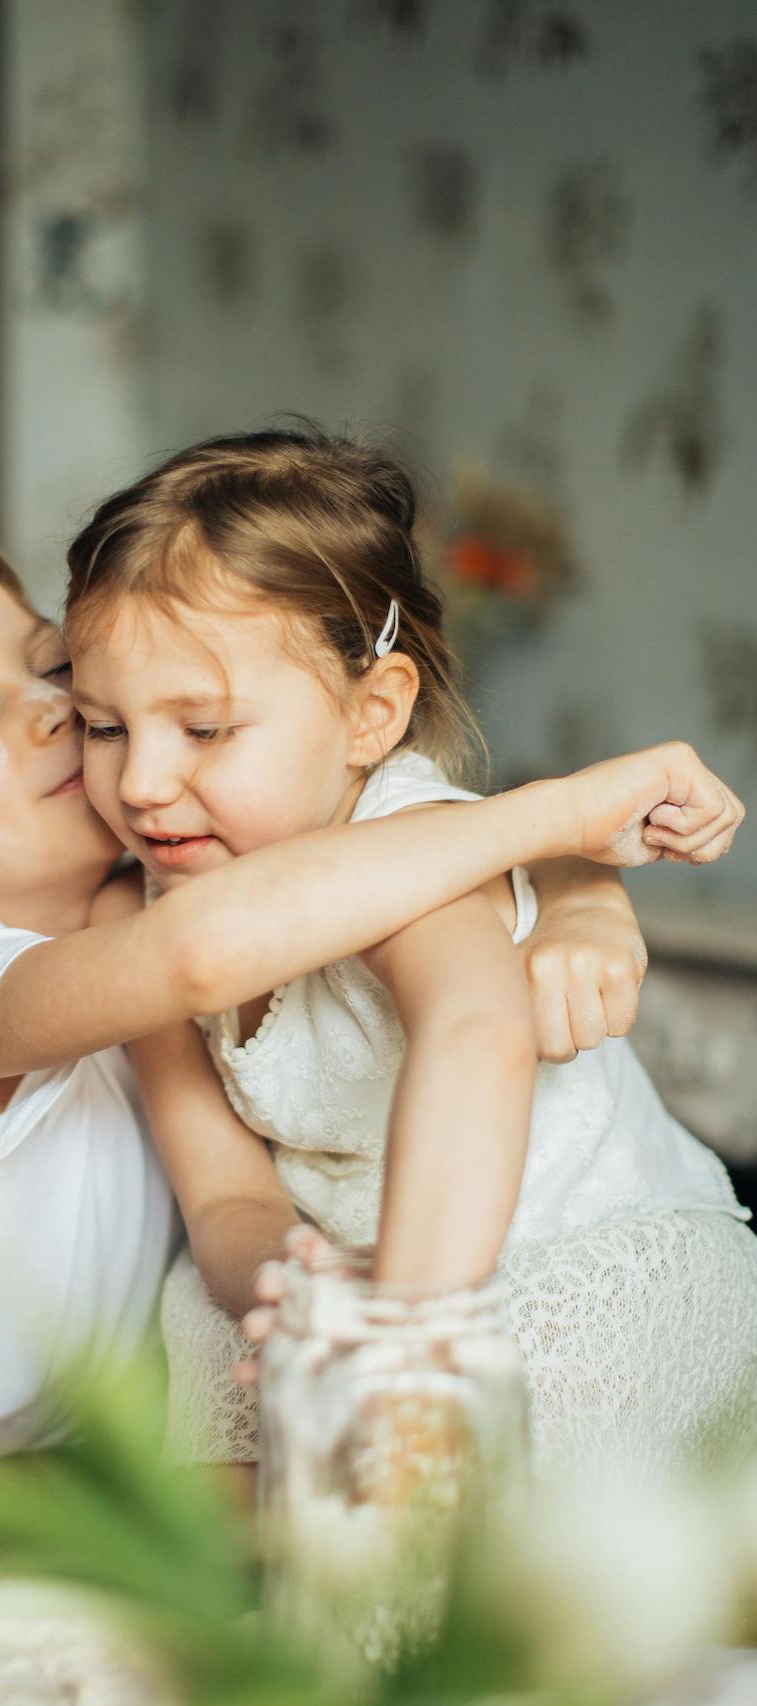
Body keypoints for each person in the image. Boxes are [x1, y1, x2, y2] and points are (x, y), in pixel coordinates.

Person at [0, 513, 739, 1507]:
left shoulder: (155, 874)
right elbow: (203, 953)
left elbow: (380, 858)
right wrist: (561, 819)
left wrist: (577, 897)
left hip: (87, 1490)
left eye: (53, 670)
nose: (51, 713)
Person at [62, 425, 754, 1480]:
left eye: (204, 731)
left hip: (552, 1261)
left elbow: (476, 1031)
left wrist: (403, 1342)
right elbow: (223, 1195)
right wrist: (293, 1298)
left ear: (371, 714)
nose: (143, 782)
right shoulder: (134, 912)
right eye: (102, 727)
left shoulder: (415, 857)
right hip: (345, 1269)